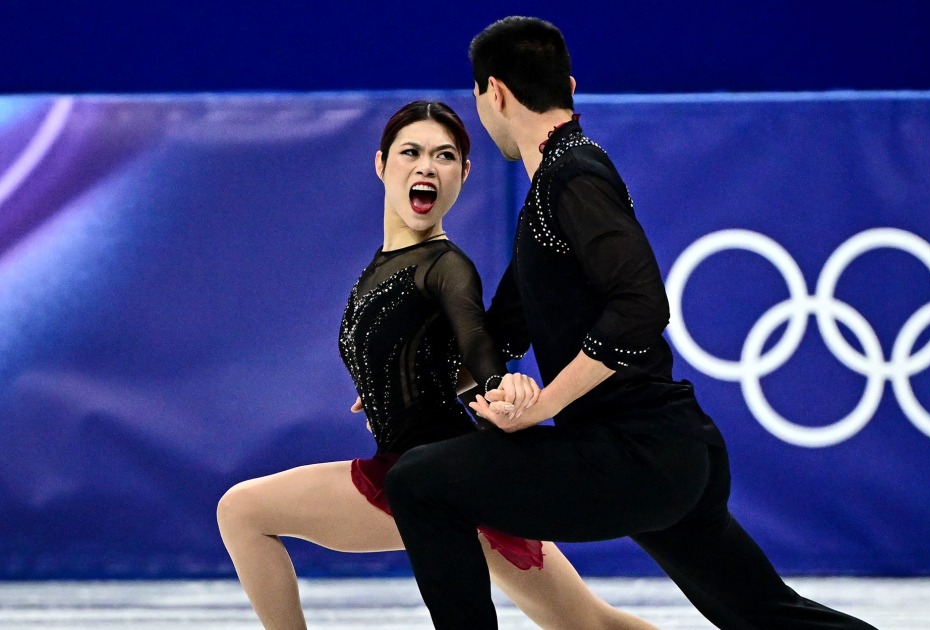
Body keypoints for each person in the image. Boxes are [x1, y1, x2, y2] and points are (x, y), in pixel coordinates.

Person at [384, 17, 877, 630]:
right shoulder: (549, 188)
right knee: (768, 616)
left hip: (638, 453)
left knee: (420, 483)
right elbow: (503, 330)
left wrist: (544, 405)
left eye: (479, 100)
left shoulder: (574, 174)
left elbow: (641, 307)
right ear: (567, 84)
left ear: (495, 93)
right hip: (664, 453)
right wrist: (402, 370)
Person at [216, 100, 655, 630]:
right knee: (590, 624)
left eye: (444, 156)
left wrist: (501, 386)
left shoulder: (446, 267)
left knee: (242, 510)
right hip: (426, 474)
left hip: (433, 475)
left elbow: (477, 344)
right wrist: (392, 378)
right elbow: (428, 350)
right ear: (382, 165)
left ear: (464, 174)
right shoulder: (383, 265)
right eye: (412, 152)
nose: (427, 166)